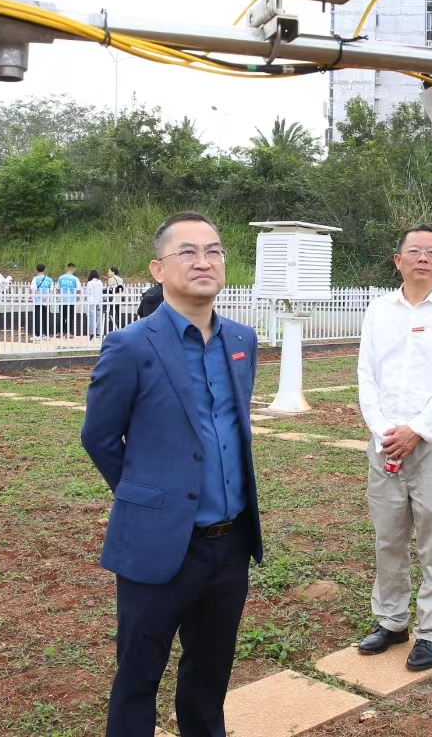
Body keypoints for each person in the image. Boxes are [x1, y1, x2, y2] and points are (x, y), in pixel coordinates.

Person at [82, 212, 262, 737]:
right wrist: (147, 501)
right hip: (158, 546)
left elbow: (230, 427)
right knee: (138, 678)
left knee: (209, 677)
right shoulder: (131, 345)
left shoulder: (242, 340)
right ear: (158, 269)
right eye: (188, 252)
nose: (204, 261)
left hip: (228, 547)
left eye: (214, 250)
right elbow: (98, 436)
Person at [356, 225, 432, 671]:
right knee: (389, 537)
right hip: (384, 442)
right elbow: (367, 374)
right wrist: (385, 430)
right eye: (414, 251)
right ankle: (391, 621)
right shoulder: (378, 310)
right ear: (398, 260)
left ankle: (431, 631)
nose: (423, 258)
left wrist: (416, 430)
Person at [32, 263, 55, 339]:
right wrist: (46, 298)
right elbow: (51, 291)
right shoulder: (49, 280)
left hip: (37, 301)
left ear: (36, 270)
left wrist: (39, 298)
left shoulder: (35, 279)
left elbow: (34, 290)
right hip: (46, 301)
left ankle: (37, 335)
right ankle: (46, 335)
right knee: (46, 318)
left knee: (37, 318)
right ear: (44, 270)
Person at [58, 263, 81, 337]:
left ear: (67, 268)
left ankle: (60, 332)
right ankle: (68, 333)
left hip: (62, 300)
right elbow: (78, 290)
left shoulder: (61, 278)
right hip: (71, 301)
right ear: (74, 269)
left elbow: (58, 289)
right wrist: (77, 297)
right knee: (70, 317)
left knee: (62, 316)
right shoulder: (75, 279)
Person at [85, 269, 105, 338]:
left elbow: (88, 292)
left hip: (92, 301)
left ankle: (92, 332)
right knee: (99, 316)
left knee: (92, 317)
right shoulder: (100, 282)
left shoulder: (90, 283)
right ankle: (99, 332)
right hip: (99, 301)